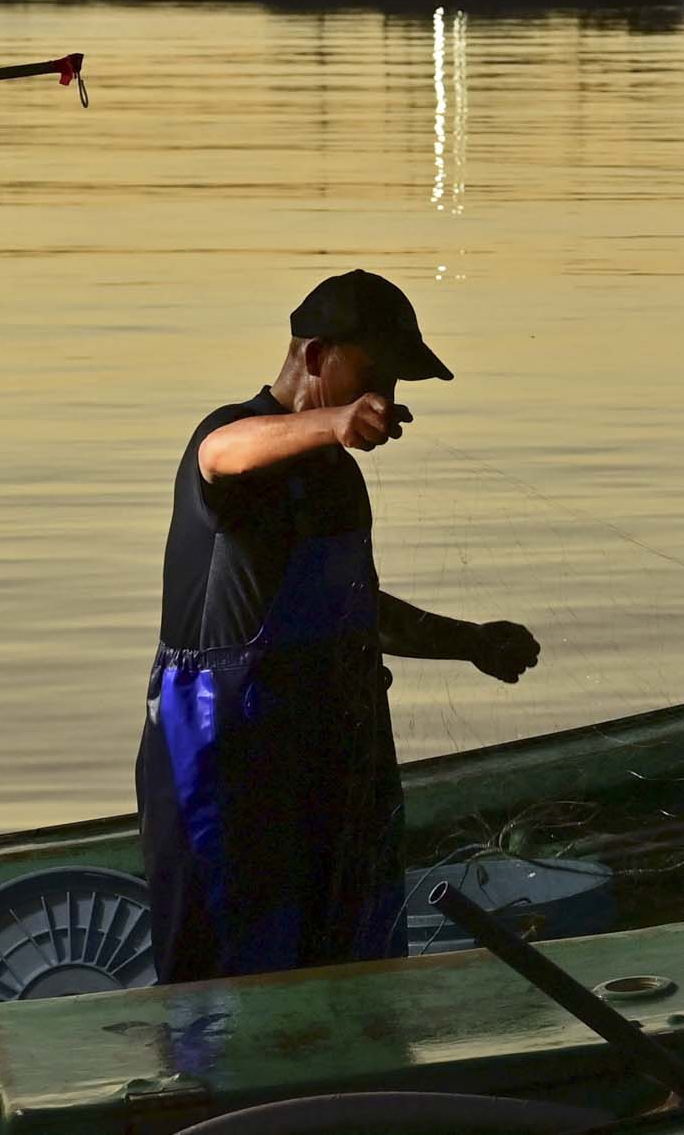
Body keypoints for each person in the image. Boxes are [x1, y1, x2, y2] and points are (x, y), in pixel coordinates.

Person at [135, 270, 540, 982]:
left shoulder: (338, 481)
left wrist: (471, 642)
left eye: (395, 382)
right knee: (233, 980)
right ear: (317, 354)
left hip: (336, 761)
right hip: (228, 769)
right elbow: (221, 452)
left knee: (357, 969)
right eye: (375, 373)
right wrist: (329, 422)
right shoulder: (233, 442)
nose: (387, 397)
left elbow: (358, 610)